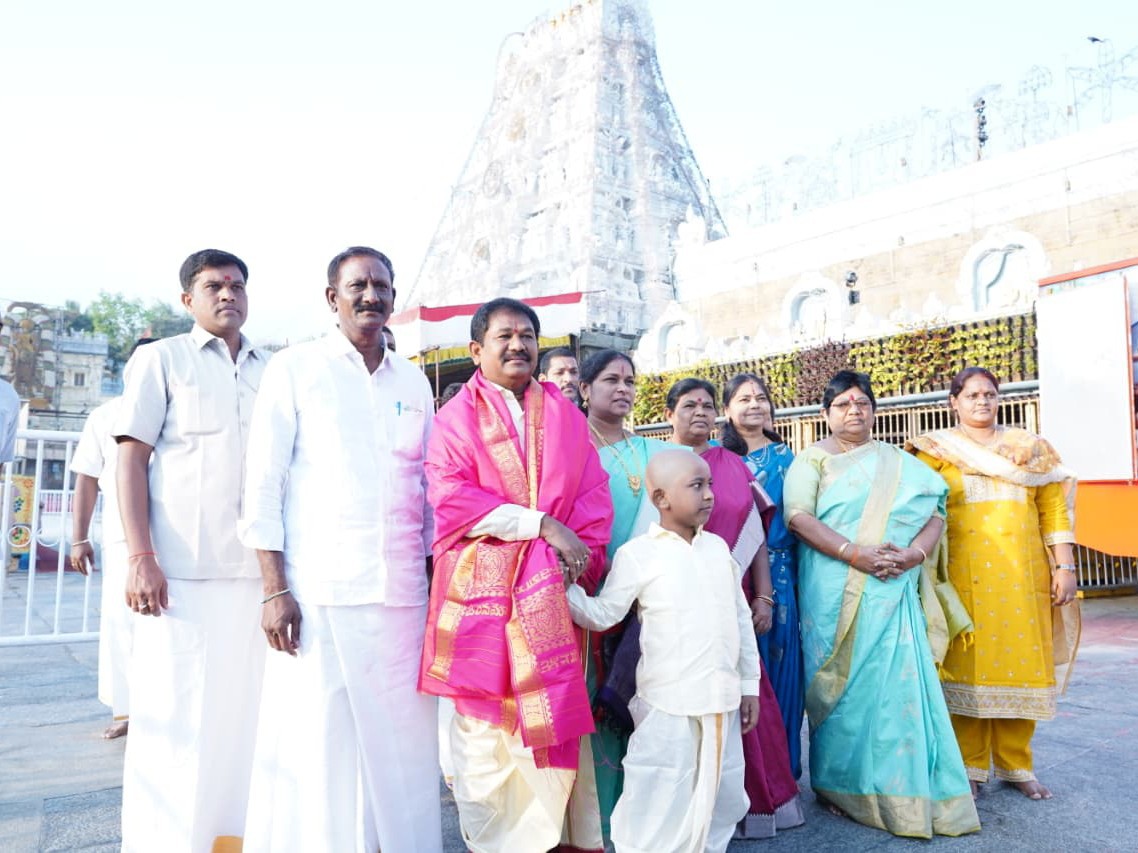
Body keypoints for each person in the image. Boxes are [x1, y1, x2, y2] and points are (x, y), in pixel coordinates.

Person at [239, 247, 442, 851]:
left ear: (394, 297)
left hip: (403, 594)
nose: (371, 295)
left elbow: (428, 490)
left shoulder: (412, 381)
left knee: (405, 744)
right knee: (320, 741)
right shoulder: (295, 368)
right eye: (358, 285)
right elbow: (264, 483)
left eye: (382, 285)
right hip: (319, 591)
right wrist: (274, 589)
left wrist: (435, 580)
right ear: (333, 298)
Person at [419, 297, 613, 853]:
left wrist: (572, 558)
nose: (518, 345)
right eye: (504, 336)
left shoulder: (565, 415)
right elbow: (451, 498)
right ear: (476, 348)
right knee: (486, 742)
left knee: (549, 728)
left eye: (527, 335)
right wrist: (542, 526)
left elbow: (592, 494)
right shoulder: (453, 420)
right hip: (481, 602)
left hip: (551, 595)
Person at [114, 249, 269, 853]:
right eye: (214, 286)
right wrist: (141, 557)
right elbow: (131, 459)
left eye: (237, 285)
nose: (228, 294)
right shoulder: (162, 360)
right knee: (176, 719)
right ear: (188, 300)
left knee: (244, 721)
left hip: (256, 575)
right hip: (180, 575)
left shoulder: (270, 367)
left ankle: (235, 838)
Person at [783, 370, 980, 838]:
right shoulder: (811, 460)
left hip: (892, 586)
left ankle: (904, 791)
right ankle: (837, 786)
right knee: (841, 690)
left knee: (895, 690)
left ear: (874, 410)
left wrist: (914, 555)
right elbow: (797, 518)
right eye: (843, 404)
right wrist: (855, 553)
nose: (854, 410)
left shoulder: (898, 461)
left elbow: (936, 511)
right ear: (825, 413)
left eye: (862, 403)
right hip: (834, 589)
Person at [566, 449, 759, 853]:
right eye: (696, 486)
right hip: (667, 702)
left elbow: (741, 620)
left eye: (710, 484)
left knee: (722, 794)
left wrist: (749, 686)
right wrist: (563, 590)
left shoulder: (718, 549)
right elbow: (604, 614)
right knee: (659, 794)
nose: (709, 494)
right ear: (661, 499)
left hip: (721, 697)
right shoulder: (638, 554)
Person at [908, 367, 1080, 801]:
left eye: (989, 394)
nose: (982, 401)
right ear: (954, 402)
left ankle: (1016, 764)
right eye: (971, 395)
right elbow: (915, 506)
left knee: (1022, 666)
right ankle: (968, 766)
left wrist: (1064, 566)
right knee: (966, 668)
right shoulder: (935, 451)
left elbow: (1053, 511)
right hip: (962, 578)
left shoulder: (1030, 449)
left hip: (1023, 578)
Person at [666, 378, 804, 838]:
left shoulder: (733, 465)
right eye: (690, 405)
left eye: (707, 405)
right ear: (669, 414)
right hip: (674, 603)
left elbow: (756, 534)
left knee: (744, 694)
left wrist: (763, 595)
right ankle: (691, 812)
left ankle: (753, 802)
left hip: (733, 597)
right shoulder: (658, 464)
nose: (700, 413)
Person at [577, 348, 671, 841]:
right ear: (585, 389)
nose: (623, 389)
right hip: (587, 595)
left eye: (630, 381)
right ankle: (595, 827)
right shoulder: (570, 448)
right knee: (594, 699)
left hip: (646, 598)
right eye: (610, 380)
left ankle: (641, 826)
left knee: (642, 700)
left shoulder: (656, 453)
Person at [69, 337, 157, 740]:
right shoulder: (106, 415)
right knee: (124, 624)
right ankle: (126, 710)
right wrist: (78, 538)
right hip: (124, 539)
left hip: (179, 537)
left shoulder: (186, 410)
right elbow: (87, 477)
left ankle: (164, 711)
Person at [719, 372, 804, 778]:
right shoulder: (718, 458)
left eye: (760, 397)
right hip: (730, 572)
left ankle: (781, 773)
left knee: (779, 666)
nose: (754, 404)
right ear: (726, 409)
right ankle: (743, 776)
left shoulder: (788, 458)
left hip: (779, 575)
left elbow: (799, 518)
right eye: (743, 399)